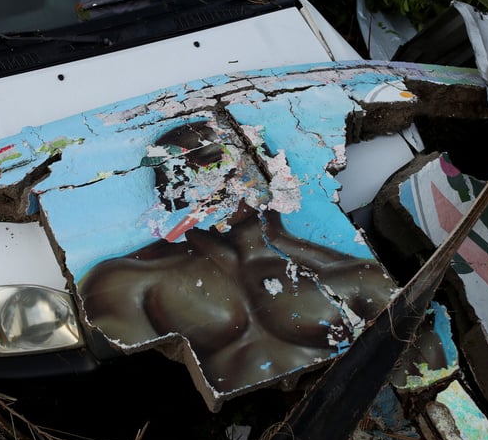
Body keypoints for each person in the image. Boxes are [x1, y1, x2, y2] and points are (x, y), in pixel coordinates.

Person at [78, 121, 396, 394]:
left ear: (266, 167)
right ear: (167, 190)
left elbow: (414, 362)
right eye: (179, 171)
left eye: (215, 161)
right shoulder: (131, 281)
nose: (222, 176)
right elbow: (128, 393)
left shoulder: (349, 272)